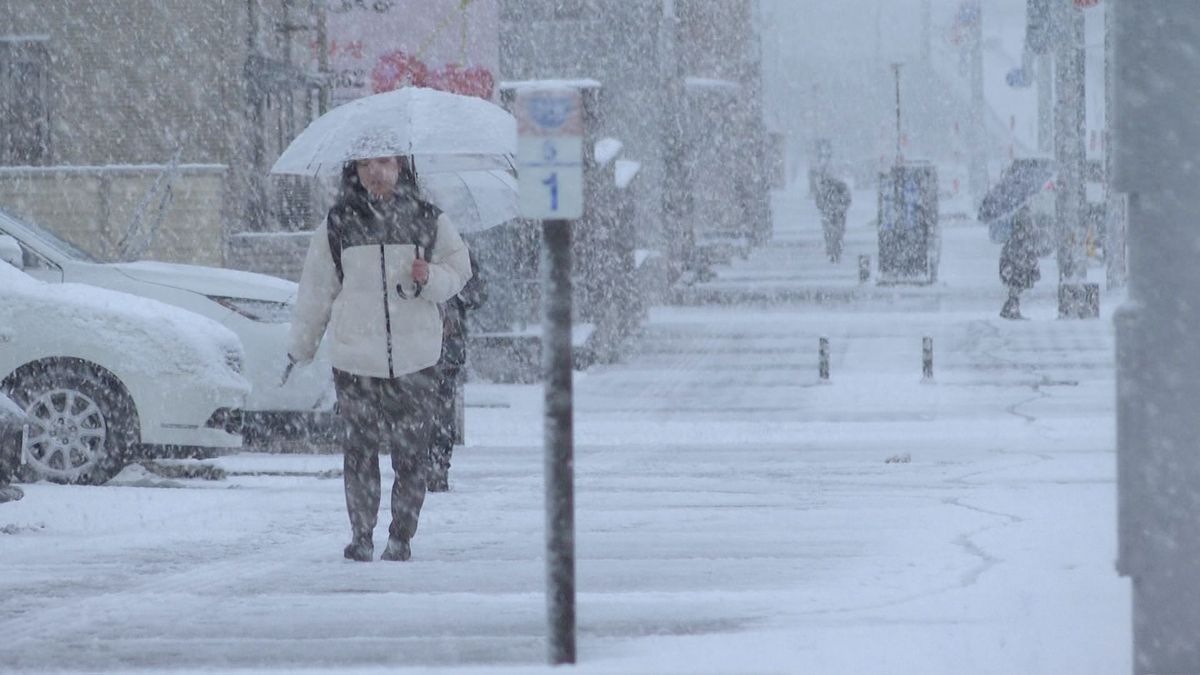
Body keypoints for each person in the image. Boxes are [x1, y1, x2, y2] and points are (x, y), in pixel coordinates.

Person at [287, 154, 472, 562]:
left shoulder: (429, 220)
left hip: (416, 358)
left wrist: (432, 279)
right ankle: (361, 535)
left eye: (385, 163)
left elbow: (460, 270)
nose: (376, 172)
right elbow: (317, 290)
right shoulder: (338, 225)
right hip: (356, 359)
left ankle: (401, 536)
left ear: (401, 168)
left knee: (411, 455)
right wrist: (302, 345)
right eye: (365, 164)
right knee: (358, 453)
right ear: (352, 171)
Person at [428, 251, 486, 492]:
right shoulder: (410, 249)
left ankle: (438, 465)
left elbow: (477, 295)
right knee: (420, 409)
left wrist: (456, 288)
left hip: (447, 347)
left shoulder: (458, 253)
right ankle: (423, 464)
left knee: (441, 409)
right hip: (415, 344)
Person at [999, 204, 1041, 320]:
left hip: (1015, 266)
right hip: (1017, 267)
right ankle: (1011, 309)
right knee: (1016, 286)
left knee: (1016, 287)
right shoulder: (1018, 242)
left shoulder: (1013, 243)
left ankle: (1010, 308)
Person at [815, 172, 851, 262]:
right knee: (832, 234)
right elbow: (818, 203)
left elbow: (847, 199)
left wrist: (839, 208)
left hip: (836, 214)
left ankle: (834, 251)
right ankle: (833, 251)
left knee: (835, 233)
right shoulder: (823, 190)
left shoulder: (839, 188)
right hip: (832, 214)